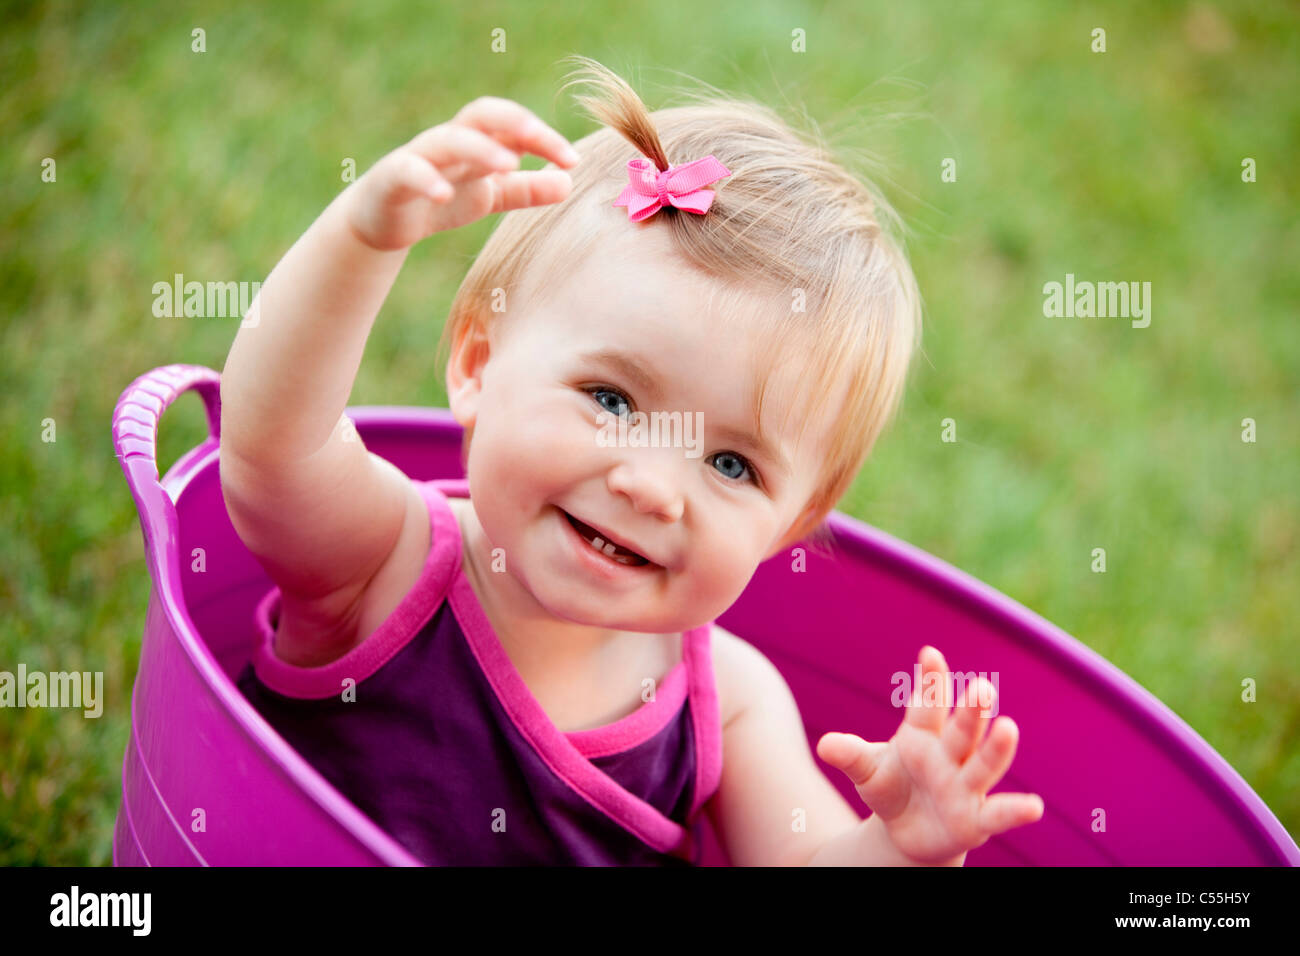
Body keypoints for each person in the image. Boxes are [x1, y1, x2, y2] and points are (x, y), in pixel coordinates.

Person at [220, 54, 1044, 865]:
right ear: (477, 364)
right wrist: (361, 240)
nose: (651, 487)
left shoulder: (729, 704)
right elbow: (276, 448)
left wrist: (900, 848)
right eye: (611, 400)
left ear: (791, 525)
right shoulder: (384, 561)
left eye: (731, 465)